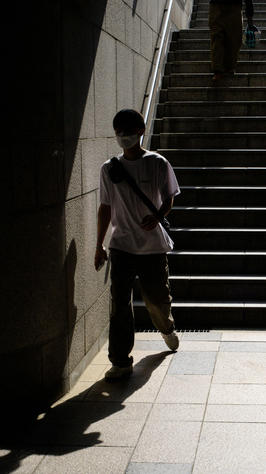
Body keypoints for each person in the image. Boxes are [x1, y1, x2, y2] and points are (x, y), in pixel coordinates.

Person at [95, 109, 181, 378]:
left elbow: (169, 197)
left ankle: (166, 329)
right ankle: (120, 361)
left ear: (141, 130)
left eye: (128, 131)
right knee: (119, 305)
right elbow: (105, 208)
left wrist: (158, 216)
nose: (123, 136)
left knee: (156, 299)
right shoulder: (109, 169)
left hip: (152, 247)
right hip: (121, 245)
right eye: (119, 131)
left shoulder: (157, 163)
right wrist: (99, 245)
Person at [209, 0, 254, 83]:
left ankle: (229, 66)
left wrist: (249, 9)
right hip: (216, 5)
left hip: (234, 6)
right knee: (217, 36)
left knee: (235, 37)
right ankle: (217, 69)